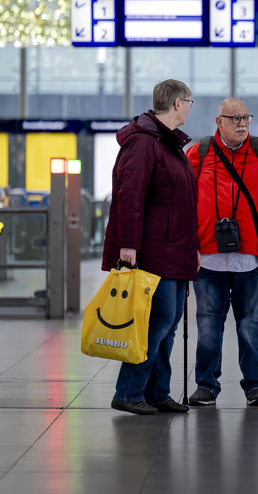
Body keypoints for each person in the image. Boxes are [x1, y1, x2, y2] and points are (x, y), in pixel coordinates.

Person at [186, 98, 258, 407]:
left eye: (245, 117)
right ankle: (206, 384)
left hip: (250, 256)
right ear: (218, 122)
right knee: (209, 324)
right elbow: (184, 200)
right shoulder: (201, 152)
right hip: (207, 256)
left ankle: (254, 385)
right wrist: (186, 244)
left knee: (249, 323)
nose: (241, 123)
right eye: (234, 118)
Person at [103, 79, 200, 415]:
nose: (190, 106)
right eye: (189, 101)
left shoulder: (168, 144)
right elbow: (129, 197)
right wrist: (127, 244)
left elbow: (179, 204)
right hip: (150, 252)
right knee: (156, 321)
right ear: (176, 103)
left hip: (173, 251)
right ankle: (129, 392)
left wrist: (193, 249)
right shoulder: (144, 143)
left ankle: (157, 391)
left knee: (168, 323)